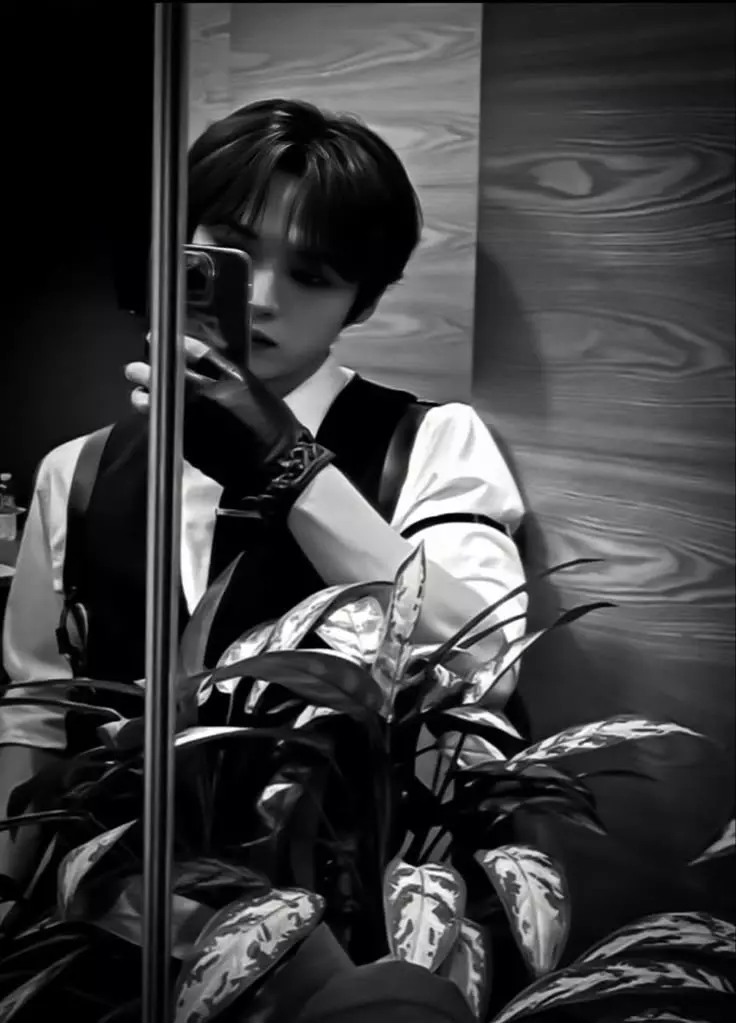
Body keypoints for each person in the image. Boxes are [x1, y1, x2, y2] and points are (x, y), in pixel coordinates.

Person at [0, 99, 527, 889]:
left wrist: (290, 467)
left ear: (363, 301)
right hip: (110, 923)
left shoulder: (430, 443)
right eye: (233, 253)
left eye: (313, 275)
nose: (263, 297)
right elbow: (38, 712)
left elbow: (485, 664)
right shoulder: (76, 470)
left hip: (328, 924)